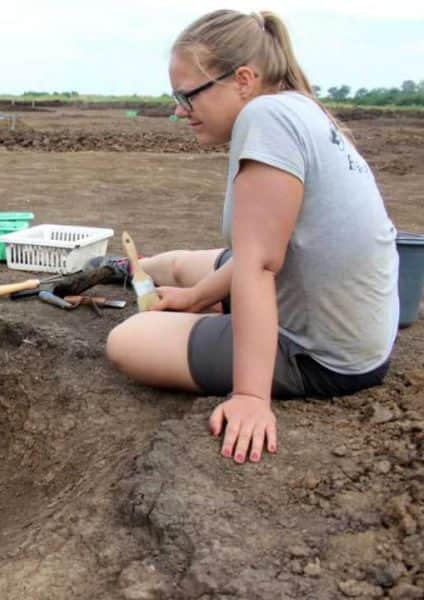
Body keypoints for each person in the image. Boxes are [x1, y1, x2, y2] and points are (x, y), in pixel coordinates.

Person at [103, 10, 399, 465]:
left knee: (129, 339)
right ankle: (124, 268)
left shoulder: (266, 118)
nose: (180, 110)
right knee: (186, 267)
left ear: (242, 79)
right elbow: (257, 254)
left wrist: (250, 396)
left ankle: (175, 305)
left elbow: (261, 266)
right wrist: (195, 297)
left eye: (187, 95)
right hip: (346, 323)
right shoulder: (296, 107)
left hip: (320, 352)